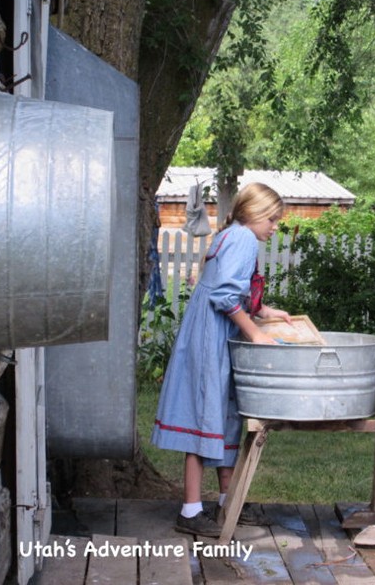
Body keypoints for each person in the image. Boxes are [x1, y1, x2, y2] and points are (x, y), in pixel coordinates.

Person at [151, 182, 292, 537]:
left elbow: (231, 288)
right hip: (211, 336)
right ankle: (190, 510)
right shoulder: (242, 238)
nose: (274, 226)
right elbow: (225, 296)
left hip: (215, 333)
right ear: (254, 213)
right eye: (272, 219)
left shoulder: (232, 235)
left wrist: (267, 312)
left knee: (224, 415)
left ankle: (229, 502)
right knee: (206, 418)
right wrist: (255, 333)